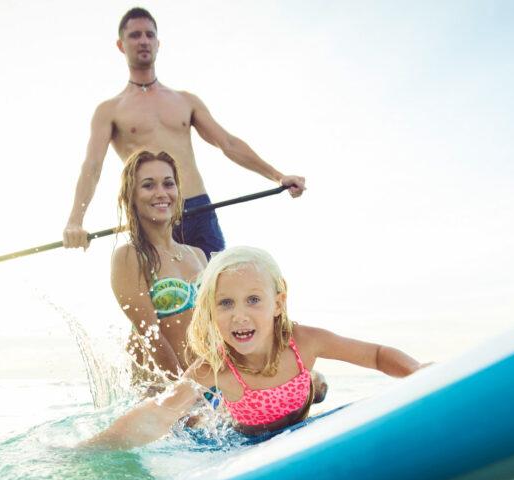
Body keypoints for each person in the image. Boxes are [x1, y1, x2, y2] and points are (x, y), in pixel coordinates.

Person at [84, 246, 427, 449]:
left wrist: (417, 372)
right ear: (211, 311)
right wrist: (94, 447)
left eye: (253, 300)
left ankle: (314, 382)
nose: (239, 316)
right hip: (237, 436)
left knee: (316, 386)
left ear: (278, 303)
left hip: (294, 402)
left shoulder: (304, 341)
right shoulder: (215, 366)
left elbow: (377, 355)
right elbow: (158, 412)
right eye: (226, 304)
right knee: (191, 421)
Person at [63, 7, 307, 258]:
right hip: (152, 214)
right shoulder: (109, 110)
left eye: (149, 35)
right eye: (135, 35)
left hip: (198, 208)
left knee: (215, 290)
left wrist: (278, 177)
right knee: (163, 295)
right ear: (121, 45)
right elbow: (92, 167)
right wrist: (75, 221)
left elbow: (228, 143)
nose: (144, 41)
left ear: (158, 43)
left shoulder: (186, 101)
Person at [112, 149, 207, 380]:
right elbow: (149, 335)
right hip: (160, 393)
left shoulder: (197, 255)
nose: (161, 193)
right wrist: (184, 393)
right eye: (148, 185)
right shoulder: (129, 256)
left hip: (204, 387)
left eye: (168, 183)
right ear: (131, 196)